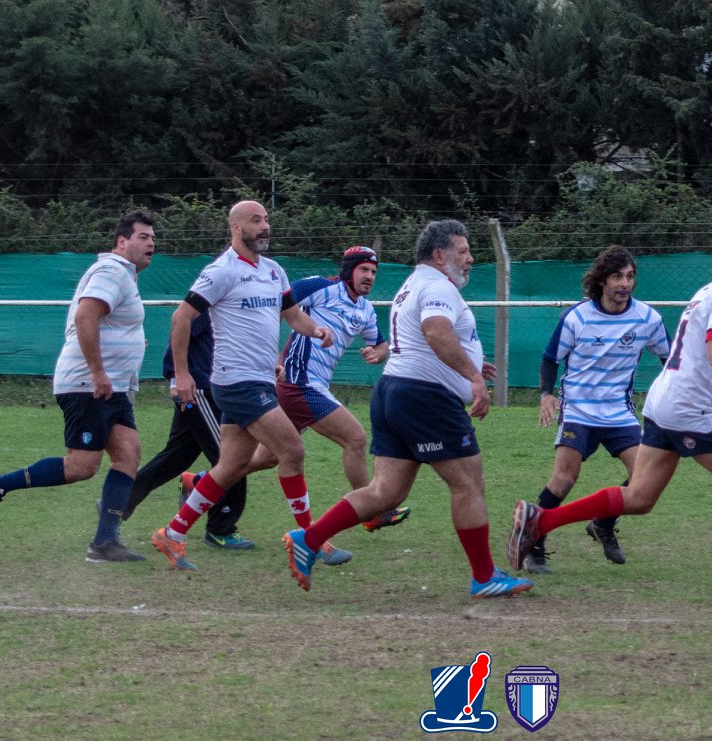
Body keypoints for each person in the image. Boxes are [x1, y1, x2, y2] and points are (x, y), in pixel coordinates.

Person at [507, 227, 712, 616]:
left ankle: (540, 521)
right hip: (687, 409)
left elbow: (706, 362)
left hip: (665, 402)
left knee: (639, 498)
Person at [282, 219, 533, 599]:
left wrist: (471, 362)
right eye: (463, 251)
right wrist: (474, 378)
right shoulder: (436, 285)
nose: (470, 259)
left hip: (393, 391)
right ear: (439, 254)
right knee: (468, 483)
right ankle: (484, 576)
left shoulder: (413, 284)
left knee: (386, 491)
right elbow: (435, 331)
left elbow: (421, 336)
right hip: (424, 397)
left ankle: (309, 538)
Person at [148, 200, 335, 571]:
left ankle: (172, 534)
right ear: (236, 228)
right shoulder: (221, 271)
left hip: (257, 378)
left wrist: (314, 329)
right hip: (237, 381)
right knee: (292, 451)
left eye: (266, 219)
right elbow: (181, 317)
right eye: (256, 220)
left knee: (231, 466)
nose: (265, 226)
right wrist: (182, 374)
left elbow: (290, 314)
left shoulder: (274, 271)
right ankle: (310, 540)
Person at [0, 212, 159, 563]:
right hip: (90, 384)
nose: (152, 243)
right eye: (143, 237)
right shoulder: (112, 270)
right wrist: (98, 369)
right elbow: (85, 316)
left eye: (152, 238)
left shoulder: (123, 276)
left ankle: (104, 543)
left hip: (109, 387)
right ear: (121, 242)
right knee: (81, 466)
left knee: (128, 453)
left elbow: (107, 323)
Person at [237, 246, 412, 557]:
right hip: (297, 382)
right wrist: (268, 355)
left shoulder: (366, 310)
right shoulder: (321, 287)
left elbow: (382, 344)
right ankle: (370, 511)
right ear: (349, 270)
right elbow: (278, 306)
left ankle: (199, 484)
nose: (369, 276)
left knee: (268, 458)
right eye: (364, 270)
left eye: (373, 272)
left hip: (308, 386)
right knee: (355, 438)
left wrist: (378, 353)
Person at [524, 245, 670, 573]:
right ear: (603, 280)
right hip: (579, 410)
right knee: (564, 479)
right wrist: (547, 394)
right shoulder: (577, 317)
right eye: (618, 276)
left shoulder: (648, 318)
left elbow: (670, 359)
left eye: (630, 277)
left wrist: (669, 394)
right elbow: (550, 359)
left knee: (642, 480)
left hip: (619, 412)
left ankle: (602, 523)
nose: (625, 283)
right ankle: (534, 542)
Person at [116, 311, 255, 550]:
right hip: (198, 390)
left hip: (208, 388)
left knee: (175, 458)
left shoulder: (234, 302)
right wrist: (175, 377)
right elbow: (180, 324)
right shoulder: (209, 300)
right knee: (231, 460)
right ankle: (220, 529)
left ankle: (116, 503)